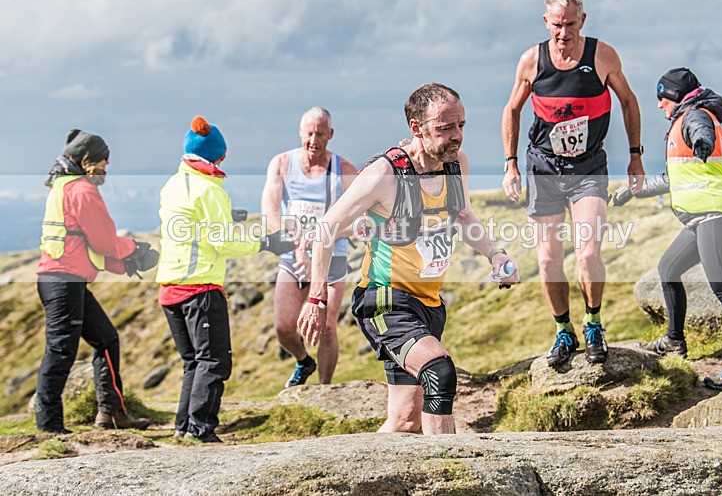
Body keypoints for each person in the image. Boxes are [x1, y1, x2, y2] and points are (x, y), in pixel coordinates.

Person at [297, 83, 520, 435]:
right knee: (439, 371)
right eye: (445, 128)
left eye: (461, 125)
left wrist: (495, 254)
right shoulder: (385, 174)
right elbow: (326, 228)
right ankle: (449, 472)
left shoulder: (454, 163)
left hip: (428, 303)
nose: (457, 136)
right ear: (416, 128)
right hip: (385, 300)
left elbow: (462, 215)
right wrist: (316, 297)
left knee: (404, 421)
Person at [501, 0, 644, 367]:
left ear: (583, 21)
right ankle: (564, 331)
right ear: (545, 21)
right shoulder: (532, 60)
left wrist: (635, 157)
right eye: (556, 25)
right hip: (544, 167)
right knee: (548, 261)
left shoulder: (603, 55)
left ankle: (594, 323)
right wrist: (510, 163)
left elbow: (629, 101)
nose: (563, 33)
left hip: (588, 167)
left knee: (588, 252)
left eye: (570, 25)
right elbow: (511, 110)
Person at [157, 116, 295, 443]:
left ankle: (183, 426)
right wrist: (266, 243)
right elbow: (222, 241)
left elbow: (192, 226)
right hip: (200, 288)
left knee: (194, 362)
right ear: (217, 155)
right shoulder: (210, 191)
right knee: (215, 362)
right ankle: (201, 430)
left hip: (169, 288)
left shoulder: (173, 185)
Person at [612, 67, 722, 390]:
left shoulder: (694, 116)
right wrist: (632, 191)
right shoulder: (682, 120)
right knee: (668, 268)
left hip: (717, 214)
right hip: (700, 217)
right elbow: (671, 179)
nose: (659, 106)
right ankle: (675, 340)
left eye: (661, 99)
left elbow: (701, 130)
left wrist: (702, 141)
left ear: (674, 96)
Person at [35, 130, 158, 433]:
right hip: (65, 282)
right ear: (88, 160)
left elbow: (84, 244)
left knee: (105, 339)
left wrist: (124, 264)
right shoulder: (82, 190)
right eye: (104, 158)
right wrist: (134, 250)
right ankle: (49, 423)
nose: (107, 164)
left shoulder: (62, 186)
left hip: (62, 278)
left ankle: (111, 413)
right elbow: (103, 241)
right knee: (61, 350)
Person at [261, 107, 358, 388]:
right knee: (283, 327)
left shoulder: (345, 171)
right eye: (309, 133)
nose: (314, 139)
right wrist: (296, 248)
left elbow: (361, 220)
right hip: (293, 255)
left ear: (330, 134)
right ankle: (304, 360)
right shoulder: (281, 164)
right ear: (301, 132)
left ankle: (324, 387)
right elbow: (269, 209)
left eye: (320, 133)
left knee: (326, 326)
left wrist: (323, 234)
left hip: (332, 257)